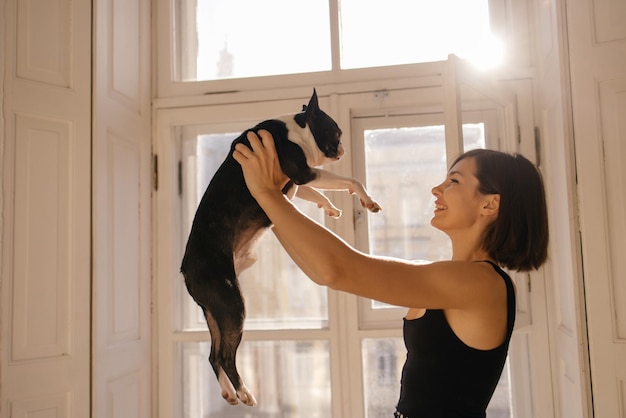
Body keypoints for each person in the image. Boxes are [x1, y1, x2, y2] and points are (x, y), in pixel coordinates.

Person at [233, 129, 549, 418]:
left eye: (453, 181)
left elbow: (338, 269)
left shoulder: (480, 284)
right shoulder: (461, 277)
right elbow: (322, 270)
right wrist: (272, 198)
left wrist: (268, 195)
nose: (436, 189)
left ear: (490, 204)